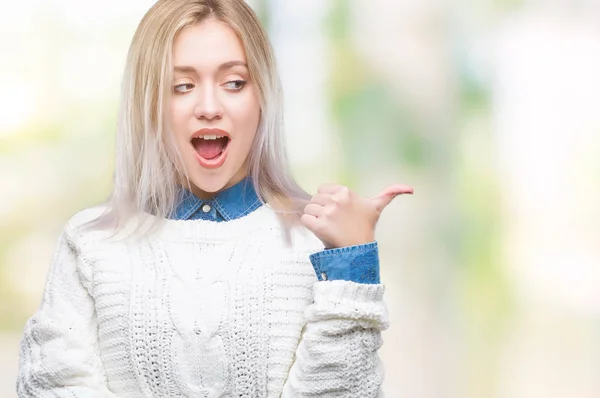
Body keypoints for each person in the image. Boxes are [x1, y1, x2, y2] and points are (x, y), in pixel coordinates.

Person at [16, 0, 413, 397]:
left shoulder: (320, 245)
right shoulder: (89, 243)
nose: (209, 108)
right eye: (182, 86)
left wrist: (351, 264)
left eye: (235, 83)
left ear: (262, 97)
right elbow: (55, 385)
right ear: (148, 103)